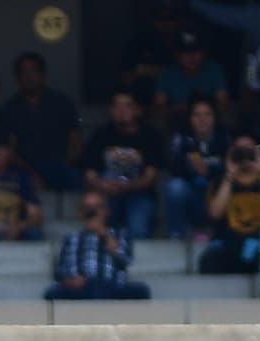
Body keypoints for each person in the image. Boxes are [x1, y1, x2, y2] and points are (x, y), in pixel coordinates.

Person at [83, 89, 165, 239]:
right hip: (108, 195)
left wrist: (125, 185)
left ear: (137, 110)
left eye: (127, 105)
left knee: (138, 230)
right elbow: (90, 174)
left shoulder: (151, 135)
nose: (122, 110)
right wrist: (103, 184)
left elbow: (150, 177)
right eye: (117, 106)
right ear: (111, 110)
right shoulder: (101, 134)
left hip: (139, 194)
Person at [198, 133, 260, 274]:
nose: (244, 154)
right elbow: (215, 213)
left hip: (259, 240)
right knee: (208, 260)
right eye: (239, 150)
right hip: (229, 241)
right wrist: (230, 175)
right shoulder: (220, 181)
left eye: (248, 150)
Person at [45, 191, 150, 300]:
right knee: (51, 293)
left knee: (142, 290)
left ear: (106, 211)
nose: (92, 212)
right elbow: (59, 273)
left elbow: (125, 259)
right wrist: (71, 281)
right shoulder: (69, 239)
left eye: (97, 207)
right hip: (80, 290)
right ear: (80, 212)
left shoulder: (119, 235)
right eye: (87, 207)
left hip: (110, 287)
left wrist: (102, 232)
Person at [2, 51, 82, 190]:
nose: (29, 76)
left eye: (33, 70)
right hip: (25, 168)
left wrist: (64, 166)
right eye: (24, 72)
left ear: (43, 75)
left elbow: (76, 142)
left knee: (76, 179)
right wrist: (31, 174)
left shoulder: (62, 102)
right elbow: (10, 150)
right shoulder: (10, 108)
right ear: (17, 78)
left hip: (60, 166)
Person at [165, 97, 229, 239]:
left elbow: (231, 170)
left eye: (207, 114)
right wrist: (192, 169)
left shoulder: (224, 137)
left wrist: (209, 172)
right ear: (190, 118)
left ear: (214, 117)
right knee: (175, 187)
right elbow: (174, 170)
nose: (202, 119)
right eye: (197, 115)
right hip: (192, 195)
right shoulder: (182, 138)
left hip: (217, 194)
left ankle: (221, 235)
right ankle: (177, 236)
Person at [152, 31, 229, 131]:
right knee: (157, 122)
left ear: (204, 53)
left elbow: (222, 102)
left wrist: (201, 111)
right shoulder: (167, 73)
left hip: (209, 115)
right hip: (178, 117)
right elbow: (159, 107)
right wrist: (186, 109)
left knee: (228, 118)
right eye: (185, 52)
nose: (191, 57)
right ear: (177, 55)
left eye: (195, 51)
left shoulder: (214, 69)